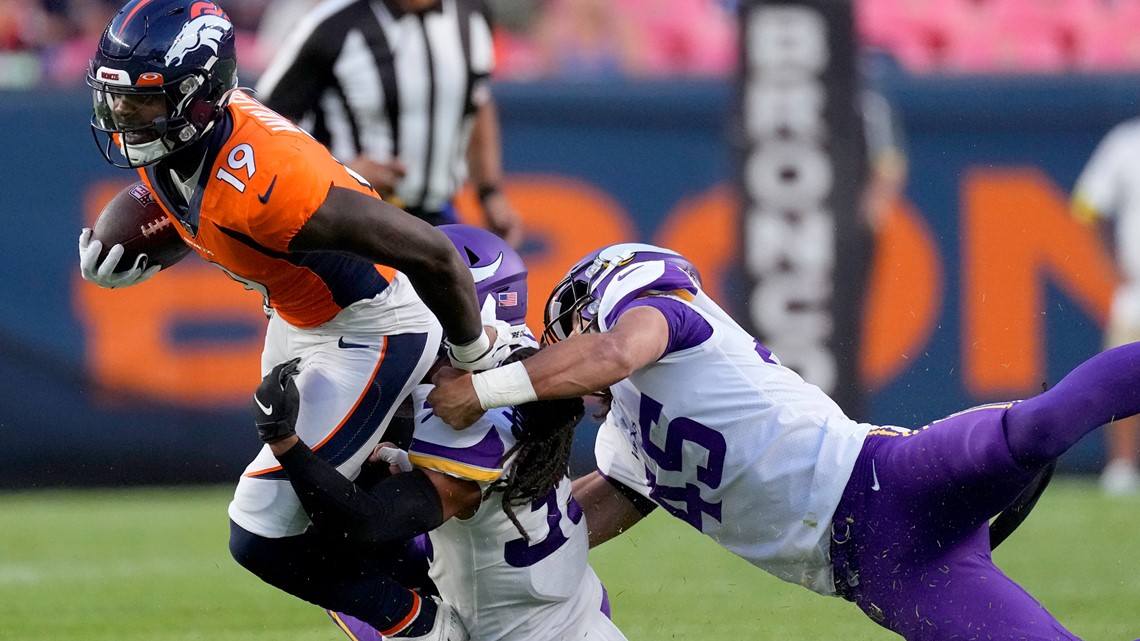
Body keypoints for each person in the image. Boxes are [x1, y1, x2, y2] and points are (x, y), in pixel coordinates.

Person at [427, 242, 1140, 639]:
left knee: (1041, 425)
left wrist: (486, 388)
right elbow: (562, 532)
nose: (565, 374)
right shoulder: (624, 443)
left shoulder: (650, 312)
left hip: (888, 476)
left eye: (564, 341)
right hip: (882, 573)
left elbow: (613, 353)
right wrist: (455, 550)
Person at [78, 2, 513, 639]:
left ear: (199, 98)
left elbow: (433, 251)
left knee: (260, 532)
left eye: (143, 105)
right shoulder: (189, 136)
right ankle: (433, 596)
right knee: (322, 501)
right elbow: (199, 207)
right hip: (302, 315)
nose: (124, 120)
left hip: (371, 328)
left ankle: (421, 627)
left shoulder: (269, 185)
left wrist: (475, 361)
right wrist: (161, 232)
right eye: (116, 102)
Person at [249, 225, 627, 641]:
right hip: (573, 611)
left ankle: (424, 628)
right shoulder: (512, 369)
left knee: (331, 557)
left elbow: (365, 524)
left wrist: (287, 444)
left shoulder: (473, 420)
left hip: (520, 631)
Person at [254, 0, 521, 245]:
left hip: (437, 218)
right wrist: (337, 173)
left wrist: (489, 191)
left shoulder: (470, 14)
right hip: (347, 224)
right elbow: (264, 126)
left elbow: (478, 99)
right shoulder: (331, 24)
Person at [1071, 116, 1140, 496]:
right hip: (1137, 288)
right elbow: (1087, 205)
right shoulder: (1127, 142)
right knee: (1124, 376)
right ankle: (1123, 465)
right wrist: (1108, 267)